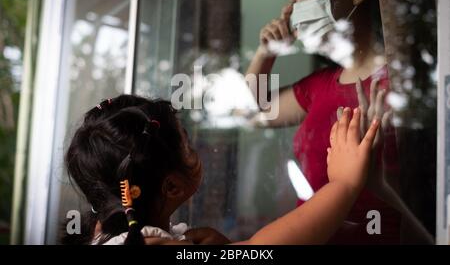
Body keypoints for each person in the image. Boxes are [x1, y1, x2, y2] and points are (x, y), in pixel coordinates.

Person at [245, 0, 407, 244]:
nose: (293, 11)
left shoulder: (402, 83)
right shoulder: (319, 85)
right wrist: (265, 53)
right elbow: (253, 111)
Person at [62, 94, 379, 245]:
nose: (195, 150)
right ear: (172, 187)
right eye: (186, 143)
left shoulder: (105, 235)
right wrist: (344, 185)